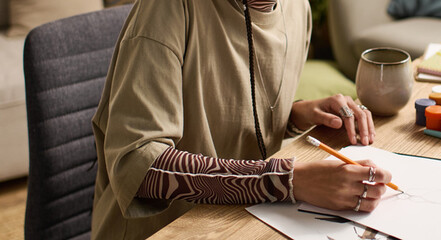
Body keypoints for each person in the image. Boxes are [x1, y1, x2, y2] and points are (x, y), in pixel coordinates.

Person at [90, 0, 392, 239]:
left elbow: (229, 108)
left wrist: (293, 115)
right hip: (167, 230)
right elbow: (139, 167)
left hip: (246, 218)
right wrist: (284, 180)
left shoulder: (298, 8)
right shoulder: (168, 8)